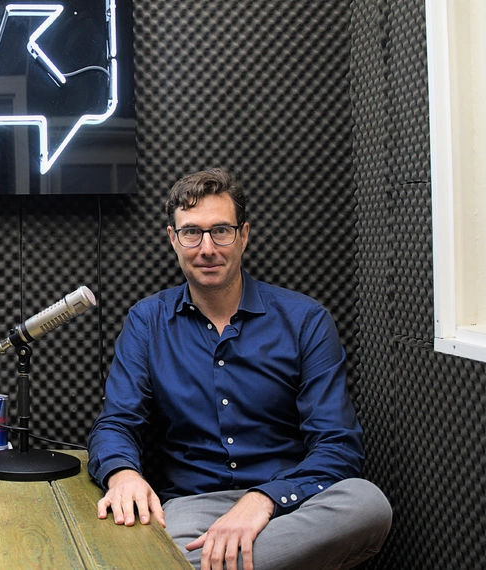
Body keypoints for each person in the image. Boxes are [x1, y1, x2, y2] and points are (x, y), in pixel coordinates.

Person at [87, 168, 391, 570]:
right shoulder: (148, 321)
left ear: (244, 235)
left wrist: (262, 500)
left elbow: (338, 445)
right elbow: (116, 424)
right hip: (191, 511)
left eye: (221, 231)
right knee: (151, 545)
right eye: (192, 233)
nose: (207, 248)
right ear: (173, 239)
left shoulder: (305, 320)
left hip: (293, 505)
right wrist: (122, 474)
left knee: (368, 504)